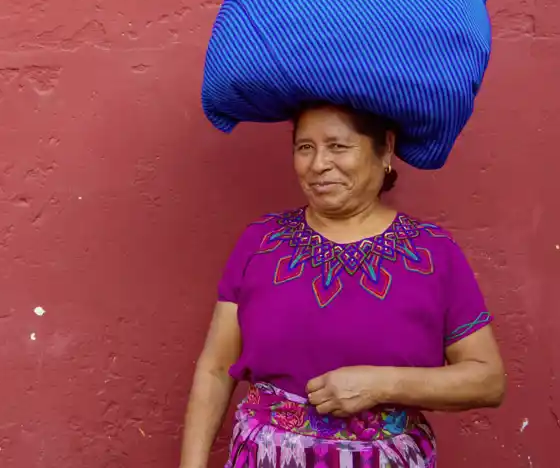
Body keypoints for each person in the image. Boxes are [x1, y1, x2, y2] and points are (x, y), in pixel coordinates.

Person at [178, 101, 505, 467]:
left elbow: (487, 379)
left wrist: (382, 385)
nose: (318, 164)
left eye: (338, 146)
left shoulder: (432, 252)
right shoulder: (262, 242)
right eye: (305, 147)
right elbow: (216, 367)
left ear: (386, 150)